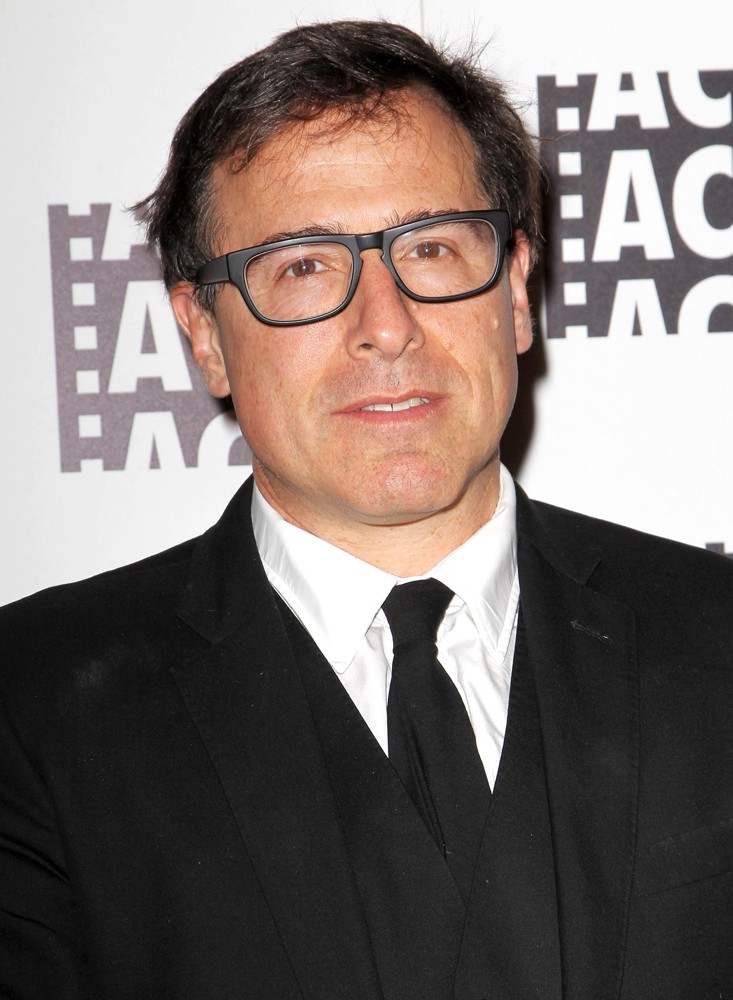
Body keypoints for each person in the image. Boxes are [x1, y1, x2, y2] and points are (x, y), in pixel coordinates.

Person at [1, 20, 731, 1000]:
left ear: (516, 291)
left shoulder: (717, 638)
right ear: (204, 334)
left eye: (430, 249)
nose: (384, 327)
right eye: (303, 265)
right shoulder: (33, 711)